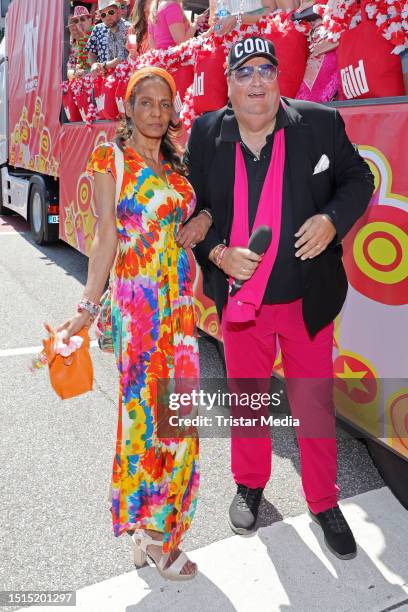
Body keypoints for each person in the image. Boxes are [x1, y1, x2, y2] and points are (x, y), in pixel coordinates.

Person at [185, 36, 374, 560]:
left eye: (266, 69)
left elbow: (360, 178)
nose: (257, 82)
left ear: (279, 78)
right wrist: (217, 251)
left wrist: (332, 220)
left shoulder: (319, 123)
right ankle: (249, 484)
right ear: (228, 84)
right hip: (241, 302)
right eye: (244, 73)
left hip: (306, 299)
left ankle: (323, 501)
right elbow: (190, 207)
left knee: (313, 404)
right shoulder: (205, 134)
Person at [58, 67, 212, 579]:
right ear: (128, 106)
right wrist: (85, 306)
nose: (155, 111)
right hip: (140, 309)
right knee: (147, 425)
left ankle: (155, 534)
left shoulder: (176, 162)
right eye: (145, 101)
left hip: (180, 307)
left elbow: (200, 212)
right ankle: (156, 537)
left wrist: (204, 220)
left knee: (181, 423)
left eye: (164, 103)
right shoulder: (112, 157)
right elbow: (105, 235)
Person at [87, 0, 131, 75]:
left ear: (118, 12)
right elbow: (92, 54)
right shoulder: (104, 30)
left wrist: (102, 66)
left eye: (110, 12)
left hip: (127, 76)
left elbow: (122, 58)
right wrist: (96, 66)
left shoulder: (127, 27)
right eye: (103, 15)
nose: (107, 17)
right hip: (110, 77)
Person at [67, 6, 94, 77]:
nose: (79, 23)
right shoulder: (81, 38)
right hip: (86, 75)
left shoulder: (96, 32)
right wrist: (79, 69)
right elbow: (81, 61)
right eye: (76, 21)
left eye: (82, 19)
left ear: (89, 19)